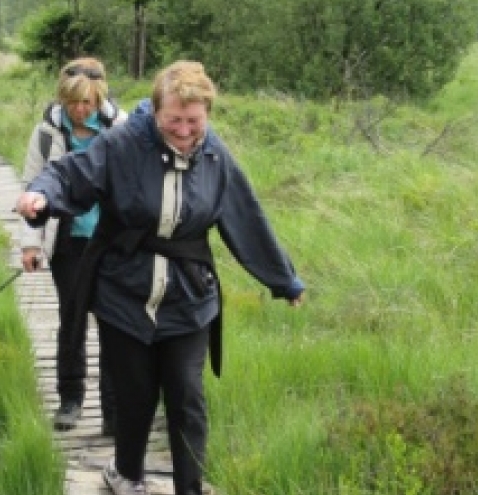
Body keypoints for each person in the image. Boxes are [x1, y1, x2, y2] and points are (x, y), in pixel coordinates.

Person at [16, 61, 305, 495]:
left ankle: (190, 487)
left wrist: (284, 281)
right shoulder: (122, 144)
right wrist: (42, 196)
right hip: (123, 290)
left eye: (194, 121)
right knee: (134, 397)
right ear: (155, 111)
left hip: (189, 295)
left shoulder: (214, 154)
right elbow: (68, 175)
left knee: (187, 396)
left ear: (206, 115)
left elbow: (245, 216)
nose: (185, 130)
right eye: (175, 120)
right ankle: (127, 475)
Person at [19, 57, 127, 435]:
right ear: (63, 99)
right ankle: (70, 399)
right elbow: (33, 186)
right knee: (72, 318)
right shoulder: (47, 134)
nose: (81, 111)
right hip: (68, 240)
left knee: (114, 323)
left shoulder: (122, 126)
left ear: (100, 97)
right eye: (73, 103)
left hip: (112, 241)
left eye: (88, 103)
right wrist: (31, 243)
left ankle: (114, 412)